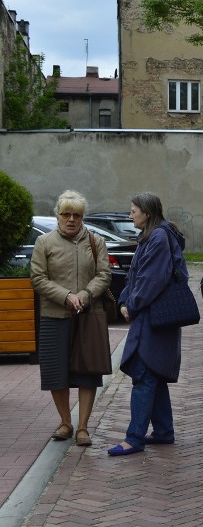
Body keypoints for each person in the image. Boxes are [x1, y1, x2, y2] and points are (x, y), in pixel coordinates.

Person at [30, 190, 111, 448]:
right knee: (56, 372)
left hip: (88, 315)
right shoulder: (44, 243)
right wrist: (66, 296)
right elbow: (38, 278)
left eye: (77, 214)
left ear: (82, 217)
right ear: (58, 215)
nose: (72, 219)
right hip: (55, 315)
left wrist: (84, 296)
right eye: (66, 214)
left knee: (88, 373)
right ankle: (65, 422)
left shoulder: (96, 241)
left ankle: (83, 428)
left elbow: (104, 275)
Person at [108, 193, 188, 456]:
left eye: (134, 211)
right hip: (155, 317)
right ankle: (164, 431)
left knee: (144, 373)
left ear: (147, 212)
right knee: (154, 373)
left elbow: (150, 280)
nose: (130, 215)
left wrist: (131, 305)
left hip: (154, 318)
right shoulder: (153, 236)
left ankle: (134, 438)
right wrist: (124, 300)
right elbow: (136, 276)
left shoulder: (158, 238)